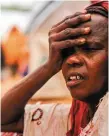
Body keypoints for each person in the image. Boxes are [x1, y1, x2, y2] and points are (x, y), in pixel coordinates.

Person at [1, 1, 108, 136]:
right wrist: (49, 66)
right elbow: (4, 119)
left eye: (90, 49)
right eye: (66, 52)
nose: (72, 59)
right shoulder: (72, 118)